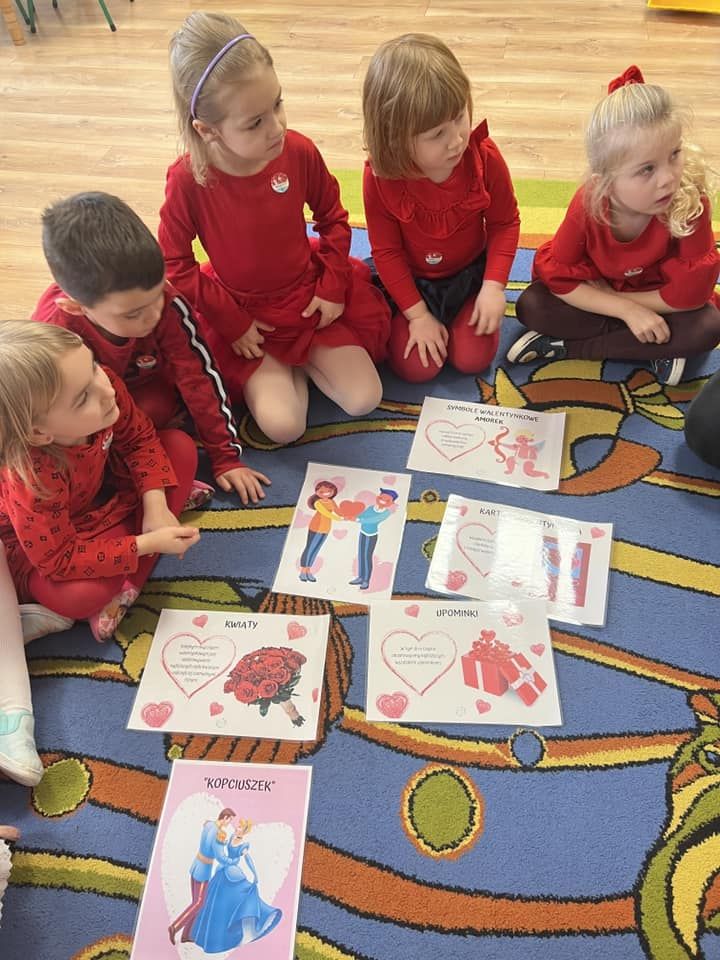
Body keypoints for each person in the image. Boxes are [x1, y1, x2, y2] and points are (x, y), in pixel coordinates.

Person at [159, 12, 391, 444]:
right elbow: (175, 264)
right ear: (207, 131)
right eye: (255, 122)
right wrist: (232, 323)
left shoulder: (298, 151)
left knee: (365, 397)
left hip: (307, 299)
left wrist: (332, 286)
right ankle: (283, 370)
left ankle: (298, 364)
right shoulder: (188, 180)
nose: (277, 127)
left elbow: (334, 218)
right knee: (283, 428)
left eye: (277, 105)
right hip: (246, 317)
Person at [0, 320, 201, 717]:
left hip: (100, 504)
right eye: (82, 399)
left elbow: (140, 438)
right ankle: (125, 582)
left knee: (179, 447)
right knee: (81, 596)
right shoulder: (31, 476)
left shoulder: (103, 387)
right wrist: (146, 543)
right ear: (39, 433)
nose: (105, 388)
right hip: (45, 547)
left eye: (93, 366)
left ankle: (124, 582)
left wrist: (155, 506)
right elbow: (57, 560)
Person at [34, 192, 270, 506]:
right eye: (132, 314)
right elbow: (42, 417)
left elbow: (199, 377)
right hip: (91, 417)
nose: (154, 315)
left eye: (158, 295)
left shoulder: (168, 304)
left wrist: (226, 457)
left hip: (142, 399)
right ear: (76, 308)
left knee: (158, 408)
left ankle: (139, 479)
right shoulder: (52, 336)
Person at [507, 66, 720, 387]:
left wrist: (627, 304)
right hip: (608, 299)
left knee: (708, 326)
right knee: (532, 306)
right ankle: (653, 348)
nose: (668, 178)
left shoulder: (689, 199)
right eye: (647, 169)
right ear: (605, 183)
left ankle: (568, 348)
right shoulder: (588, 204)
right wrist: (625, 311)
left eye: (675, 154)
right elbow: (560, 280)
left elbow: (691, 296)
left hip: (654, 302)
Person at [361, 34, 520, 383]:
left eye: (460, 116)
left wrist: (493, 286)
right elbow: (386, 251)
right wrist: (417, 315)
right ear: (394, 138)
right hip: (412, 283)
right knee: (416, 367)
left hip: (469, 276)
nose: (457, 140)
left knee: (472, 358)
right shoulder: (380, 178)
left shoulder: (484, 158)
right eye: (437, 134)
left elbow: (505, 223)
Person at [189, 819, 282, 952]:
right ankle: (208, 936)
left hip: (233, 874)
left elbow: (248, 859)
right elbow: (223, 848)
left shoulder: (243, 845)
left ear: (244, 831)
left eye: (240, 827)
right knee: (215, 903)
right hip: (222, 871)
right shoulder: (232, 836)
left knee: (238, 899)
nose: (237, 828)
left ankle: (255, 919)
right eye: (238, 826)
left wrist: (255, 874)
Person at [168, 807, 236, 945]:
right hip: (203, 870)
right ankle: (175, 927)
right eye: (230, 820)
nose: (229, 823)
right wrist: (233, 861)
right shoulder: (219, 834)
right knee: (199, 902)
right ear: (225, 817)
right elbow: (220, 857)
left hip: (196, 865)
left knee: (196, 902)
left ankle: (186, 935)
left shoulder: (209, 824)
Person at [349, 488, 398, 590]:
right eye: (381, 498)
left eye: (387, 500)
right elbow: (362, 515)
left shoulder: (386, 512)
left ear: (391, 503)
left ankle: (366, 580)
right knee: (361, 555)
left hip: (371, 535)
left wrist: (358, 519)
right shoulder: (371, 508)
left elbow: (373, 520)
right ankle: (360, 577)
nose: (382, 501)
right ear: (377, 497)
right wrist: (352, 516)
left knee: (367, 557)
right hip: (363, 533)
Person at [298, 479, 341, 582]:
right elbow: (326, 513)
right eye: (322, 491)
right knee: (310, 548)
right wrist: (338, 518)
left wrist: (348, 514)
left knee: (316, 549)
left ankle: (308, 570)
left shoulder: (331, 501)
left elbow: (338, 511)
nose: (326, 493)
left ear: (333, 492)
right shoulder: (318, 503)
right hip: (316, 527)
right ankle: (303, 571)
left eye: (329, 491)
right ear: (317, 492)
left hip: (326, 528)